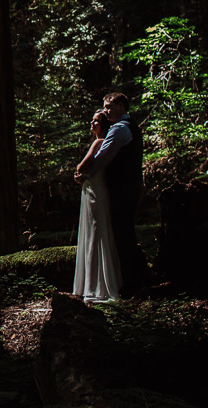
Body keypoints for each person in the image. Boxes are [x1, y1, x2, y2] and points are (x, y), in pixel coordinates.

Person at [76, 92, 148, 297]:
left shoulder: (120, 129)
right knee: (123, 234)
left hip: (122, 189)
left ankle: (131, 284)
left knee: (123, 235)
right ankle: (131, 280)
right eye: (105, 107)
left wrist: (85, 174)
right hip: (128, 186)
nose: (106, 111)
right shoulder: (131, 126)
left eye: (109, 107)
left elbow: (102, 158)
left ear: (120, 105)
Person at [72, 110, 122, 303]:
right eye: (92, 120)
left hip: (95, 192)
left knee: (95, 232)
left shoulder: (99, 143)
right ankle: (97, 283)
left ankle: (94, 286)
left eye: (96, 121)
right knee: (99, 231)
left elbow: (81, 166)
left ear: (104, 125)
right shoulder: (104, 144)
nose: (92, 124)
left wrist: (79, 172)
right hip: (95, 188)